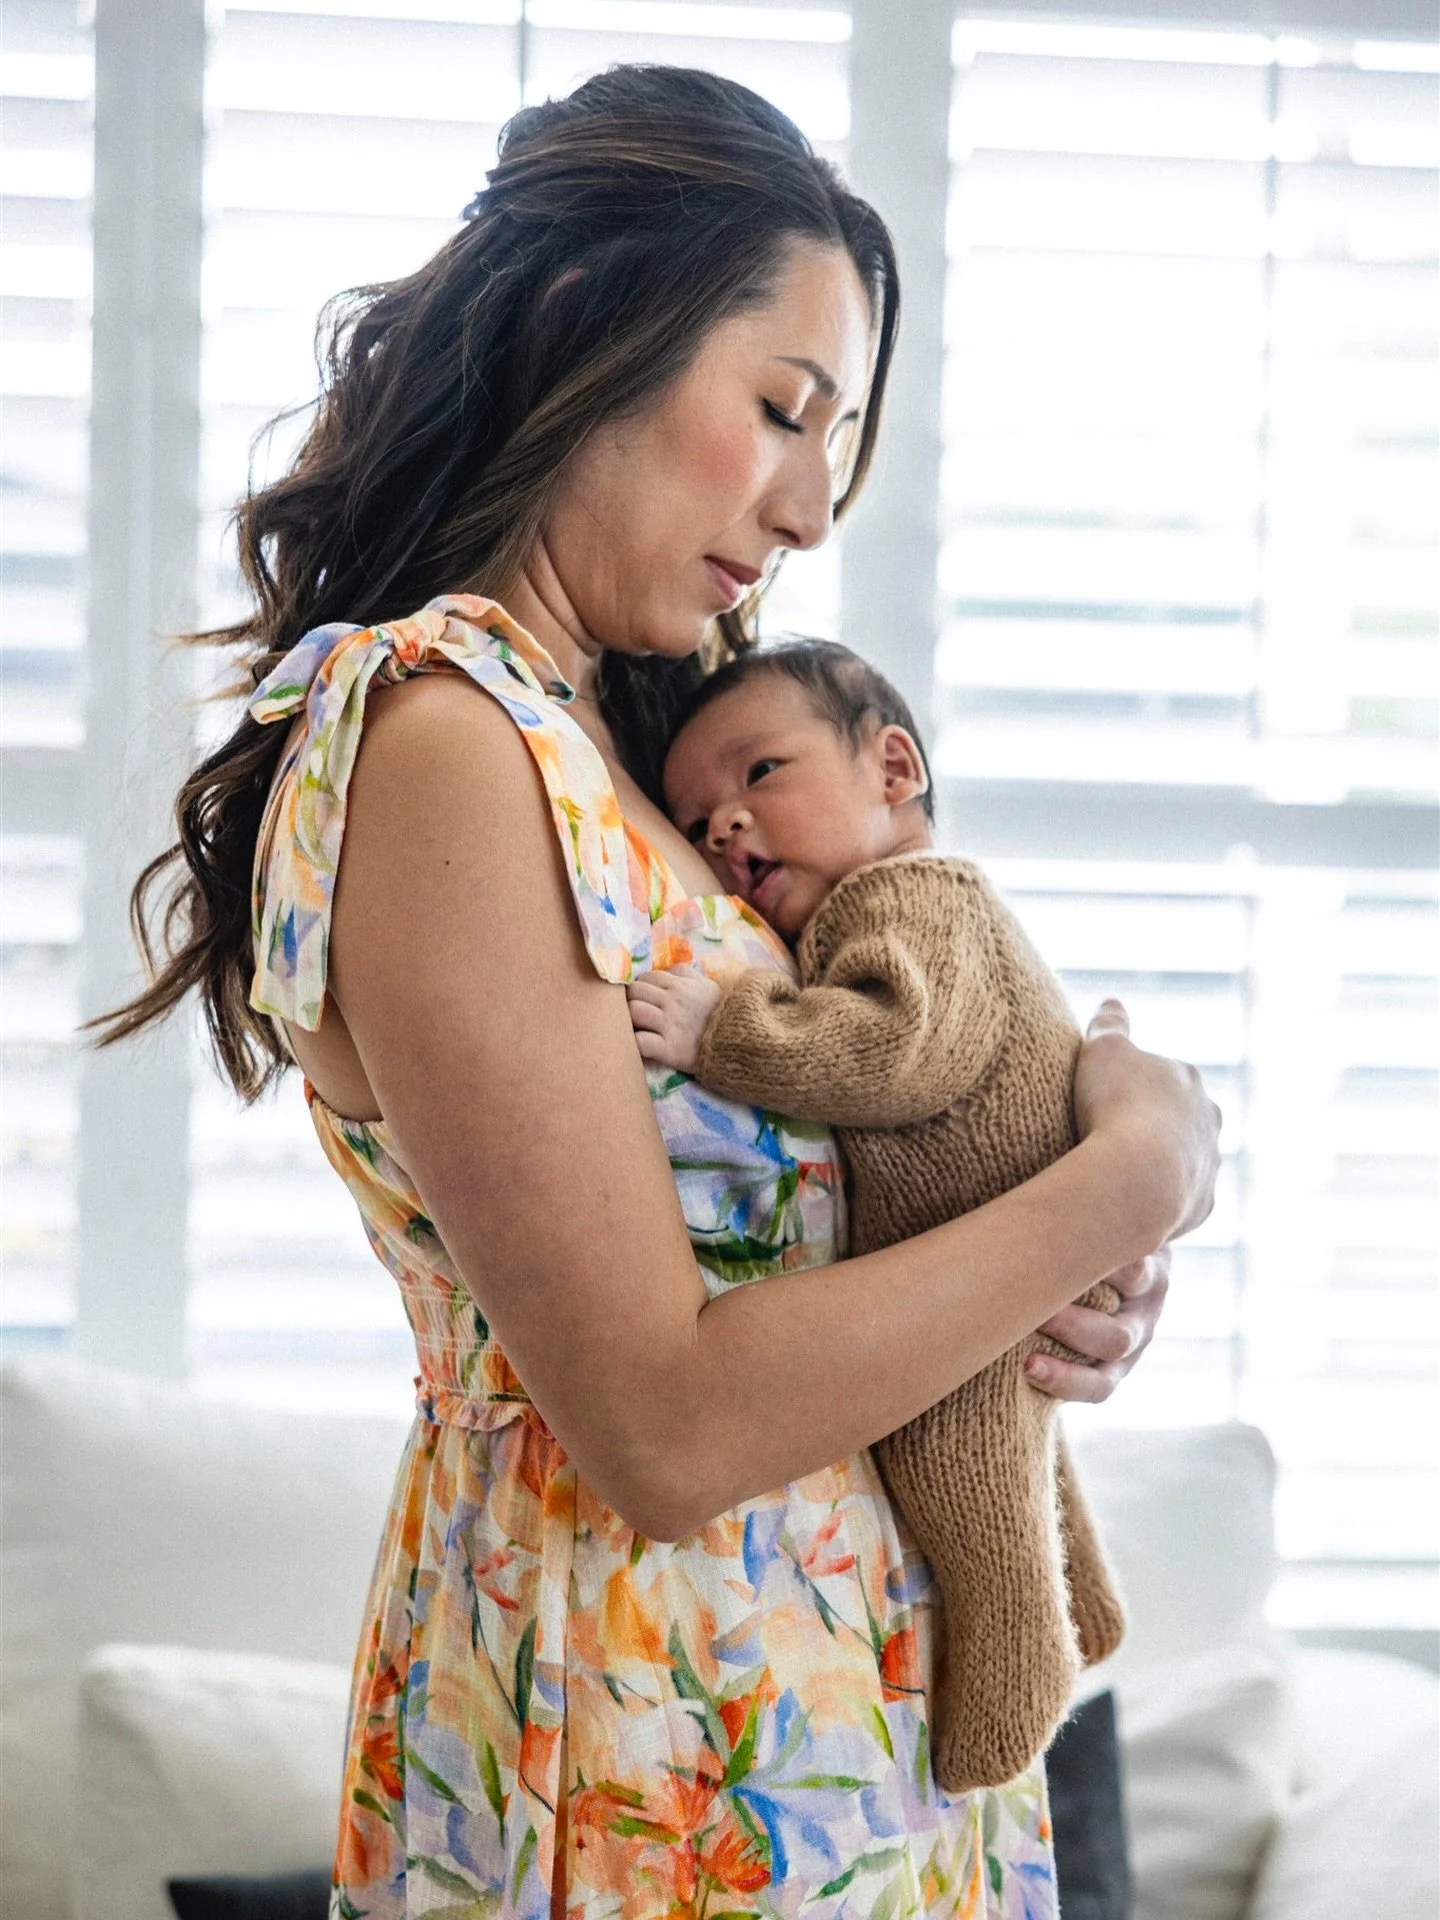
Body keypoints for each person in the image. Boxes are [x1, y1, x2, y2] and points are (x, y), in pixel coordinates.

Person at [97, 65, 1220, 1920]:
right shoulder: (448, 738)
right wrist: (1127, 1182)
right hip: (642, 1752)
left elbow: (848, 1202)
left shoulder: (637, 750)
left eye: (834, 443)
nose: (802, 509)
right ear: (585, 330)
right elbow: (665, 1425)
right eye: (781, 410)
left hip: (844, 1735)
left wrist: (1064, 1281)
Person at [626, 638, 1131, 1796]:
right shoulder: (874, 902)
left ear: (892, 768)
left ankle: (1023, 1664)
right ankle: (1086, 1601)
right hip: (1000, 1246)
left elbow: (902, 1053)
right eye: (699, 816)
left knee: (960, 1464)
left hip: (989, 1237)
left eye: (759, 774)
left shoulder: (913, 898)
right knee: (1021, 1448)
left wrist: (729, 1031)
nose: (723, 828)